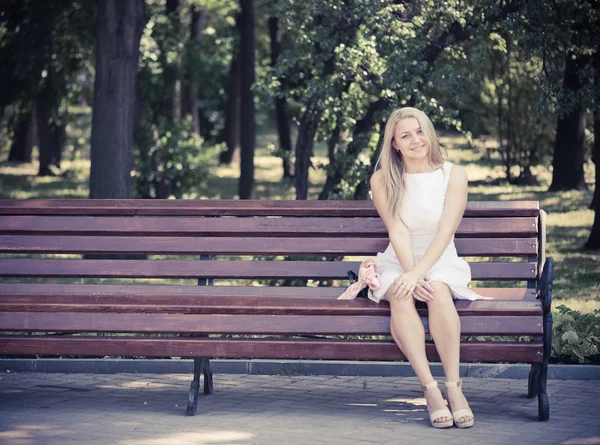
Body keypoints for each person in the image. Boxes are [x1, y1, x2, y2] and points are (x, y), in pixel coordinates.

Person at [369, 107, 481, 429]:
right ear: (394, 144)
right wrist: (410, 274)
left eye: (420, 131)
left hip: (441, 256)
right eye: (406, 135)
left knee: (438, 293)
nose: (416, 140)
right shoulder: (383, 179)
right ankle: (430, 389)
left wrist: (420, 274)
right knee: (402, 296)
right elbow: (398, 230)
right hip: (398, 258)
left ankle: (453, 387)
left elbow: (446, 230)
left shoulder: (453, 174)